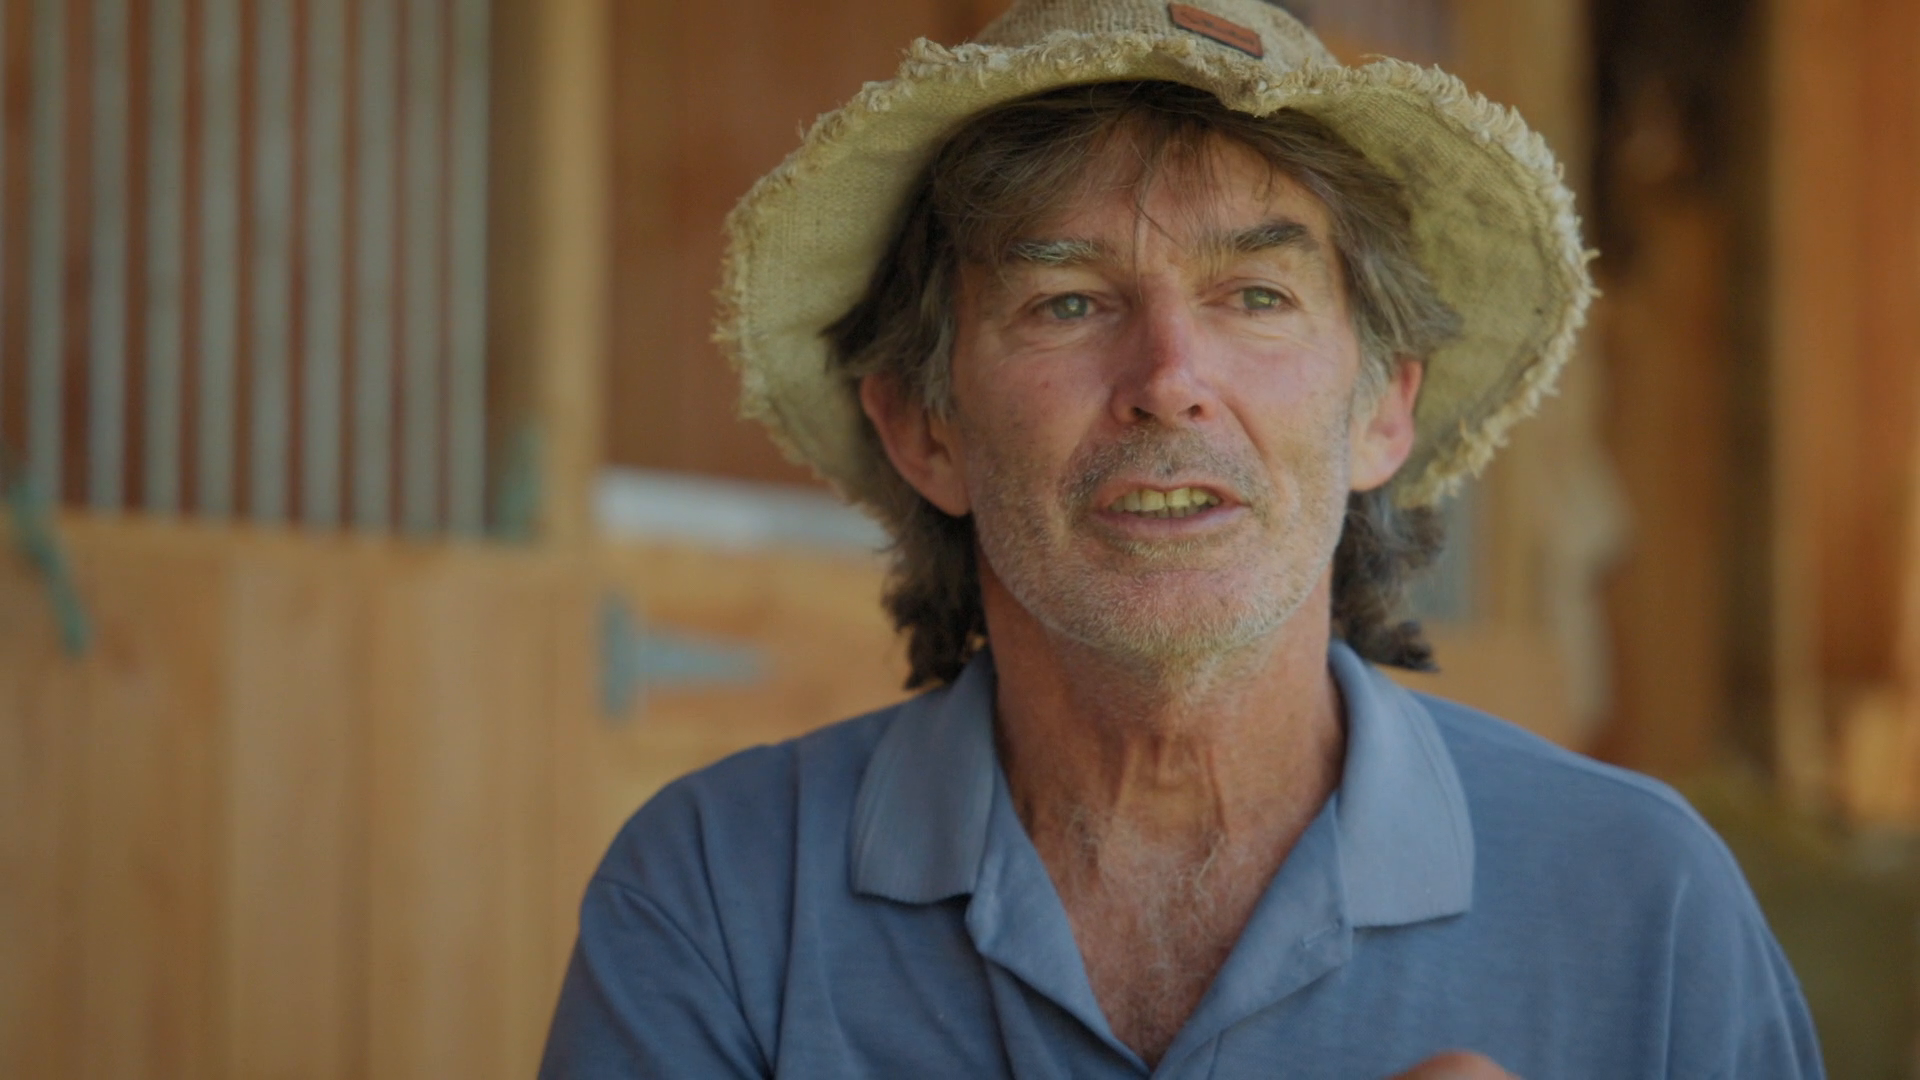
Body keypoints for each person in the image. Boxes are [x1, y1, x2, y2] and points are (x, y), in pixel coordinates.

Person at [542, 0, 1823, 1076]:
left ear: (1382, 411)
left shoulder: (1643, 898)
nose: (1169, 379)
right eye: (1067, 301)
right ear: (925, 430)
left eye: (1256, 294)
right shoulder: (719, 893)